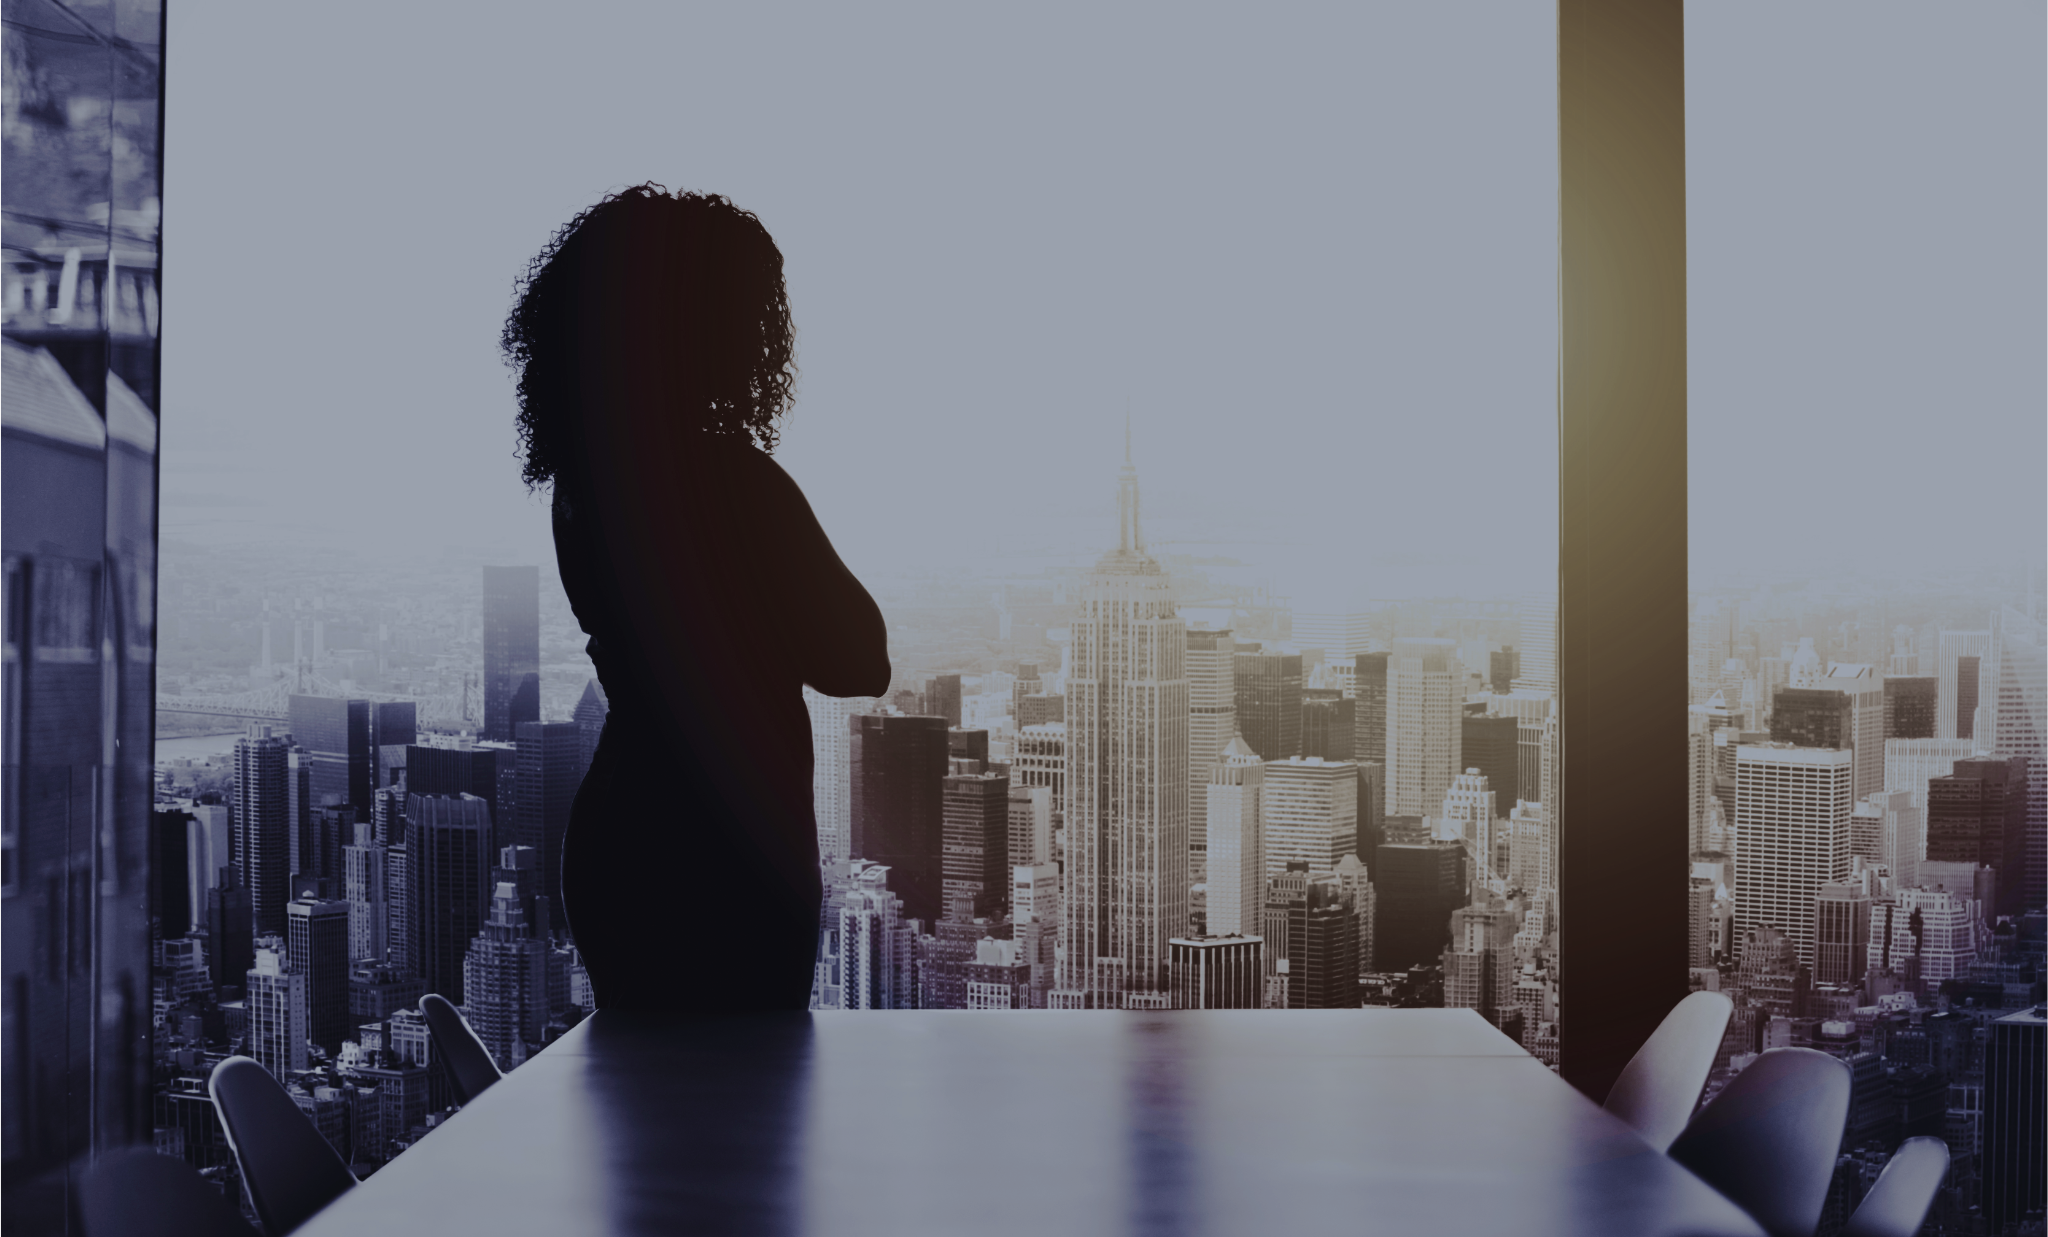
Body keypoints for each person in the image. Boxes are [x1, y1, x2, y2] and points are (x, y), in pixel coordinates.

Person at [503, 184, 890, 1011]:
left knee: (649, 1116)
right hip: (736, 847)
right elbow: (862, 657)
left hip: (625, 835)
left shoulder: (581, 485)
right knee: (748, 1110)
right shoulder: (736, 484)